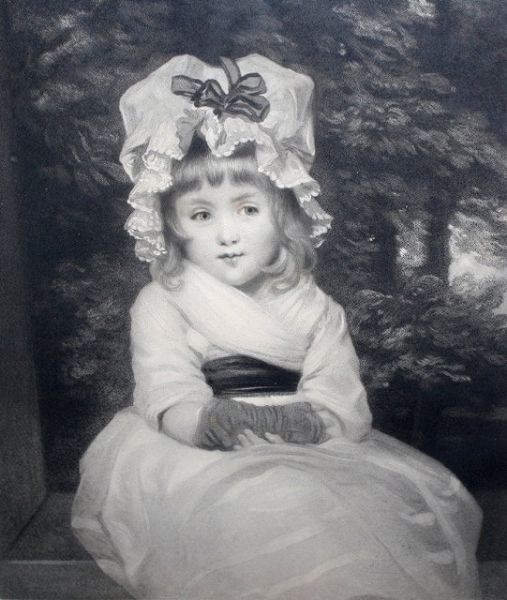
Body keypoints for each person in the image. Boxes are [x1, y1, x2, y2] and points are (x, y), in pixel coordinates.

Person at [71, 54, 482, 600]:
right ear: (171, 226)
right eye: (202, 215)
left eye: (247, 210)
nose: (227, 235)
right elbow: (166, 391)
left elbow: (340, 398)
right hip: (199, 447)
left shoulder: (316, 307)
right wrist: (222, 426)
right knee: (258, 504)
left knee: (342, 508)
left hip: (313, 443)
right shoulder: (163, 300)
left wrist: (299, 427)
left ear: (284, 215)